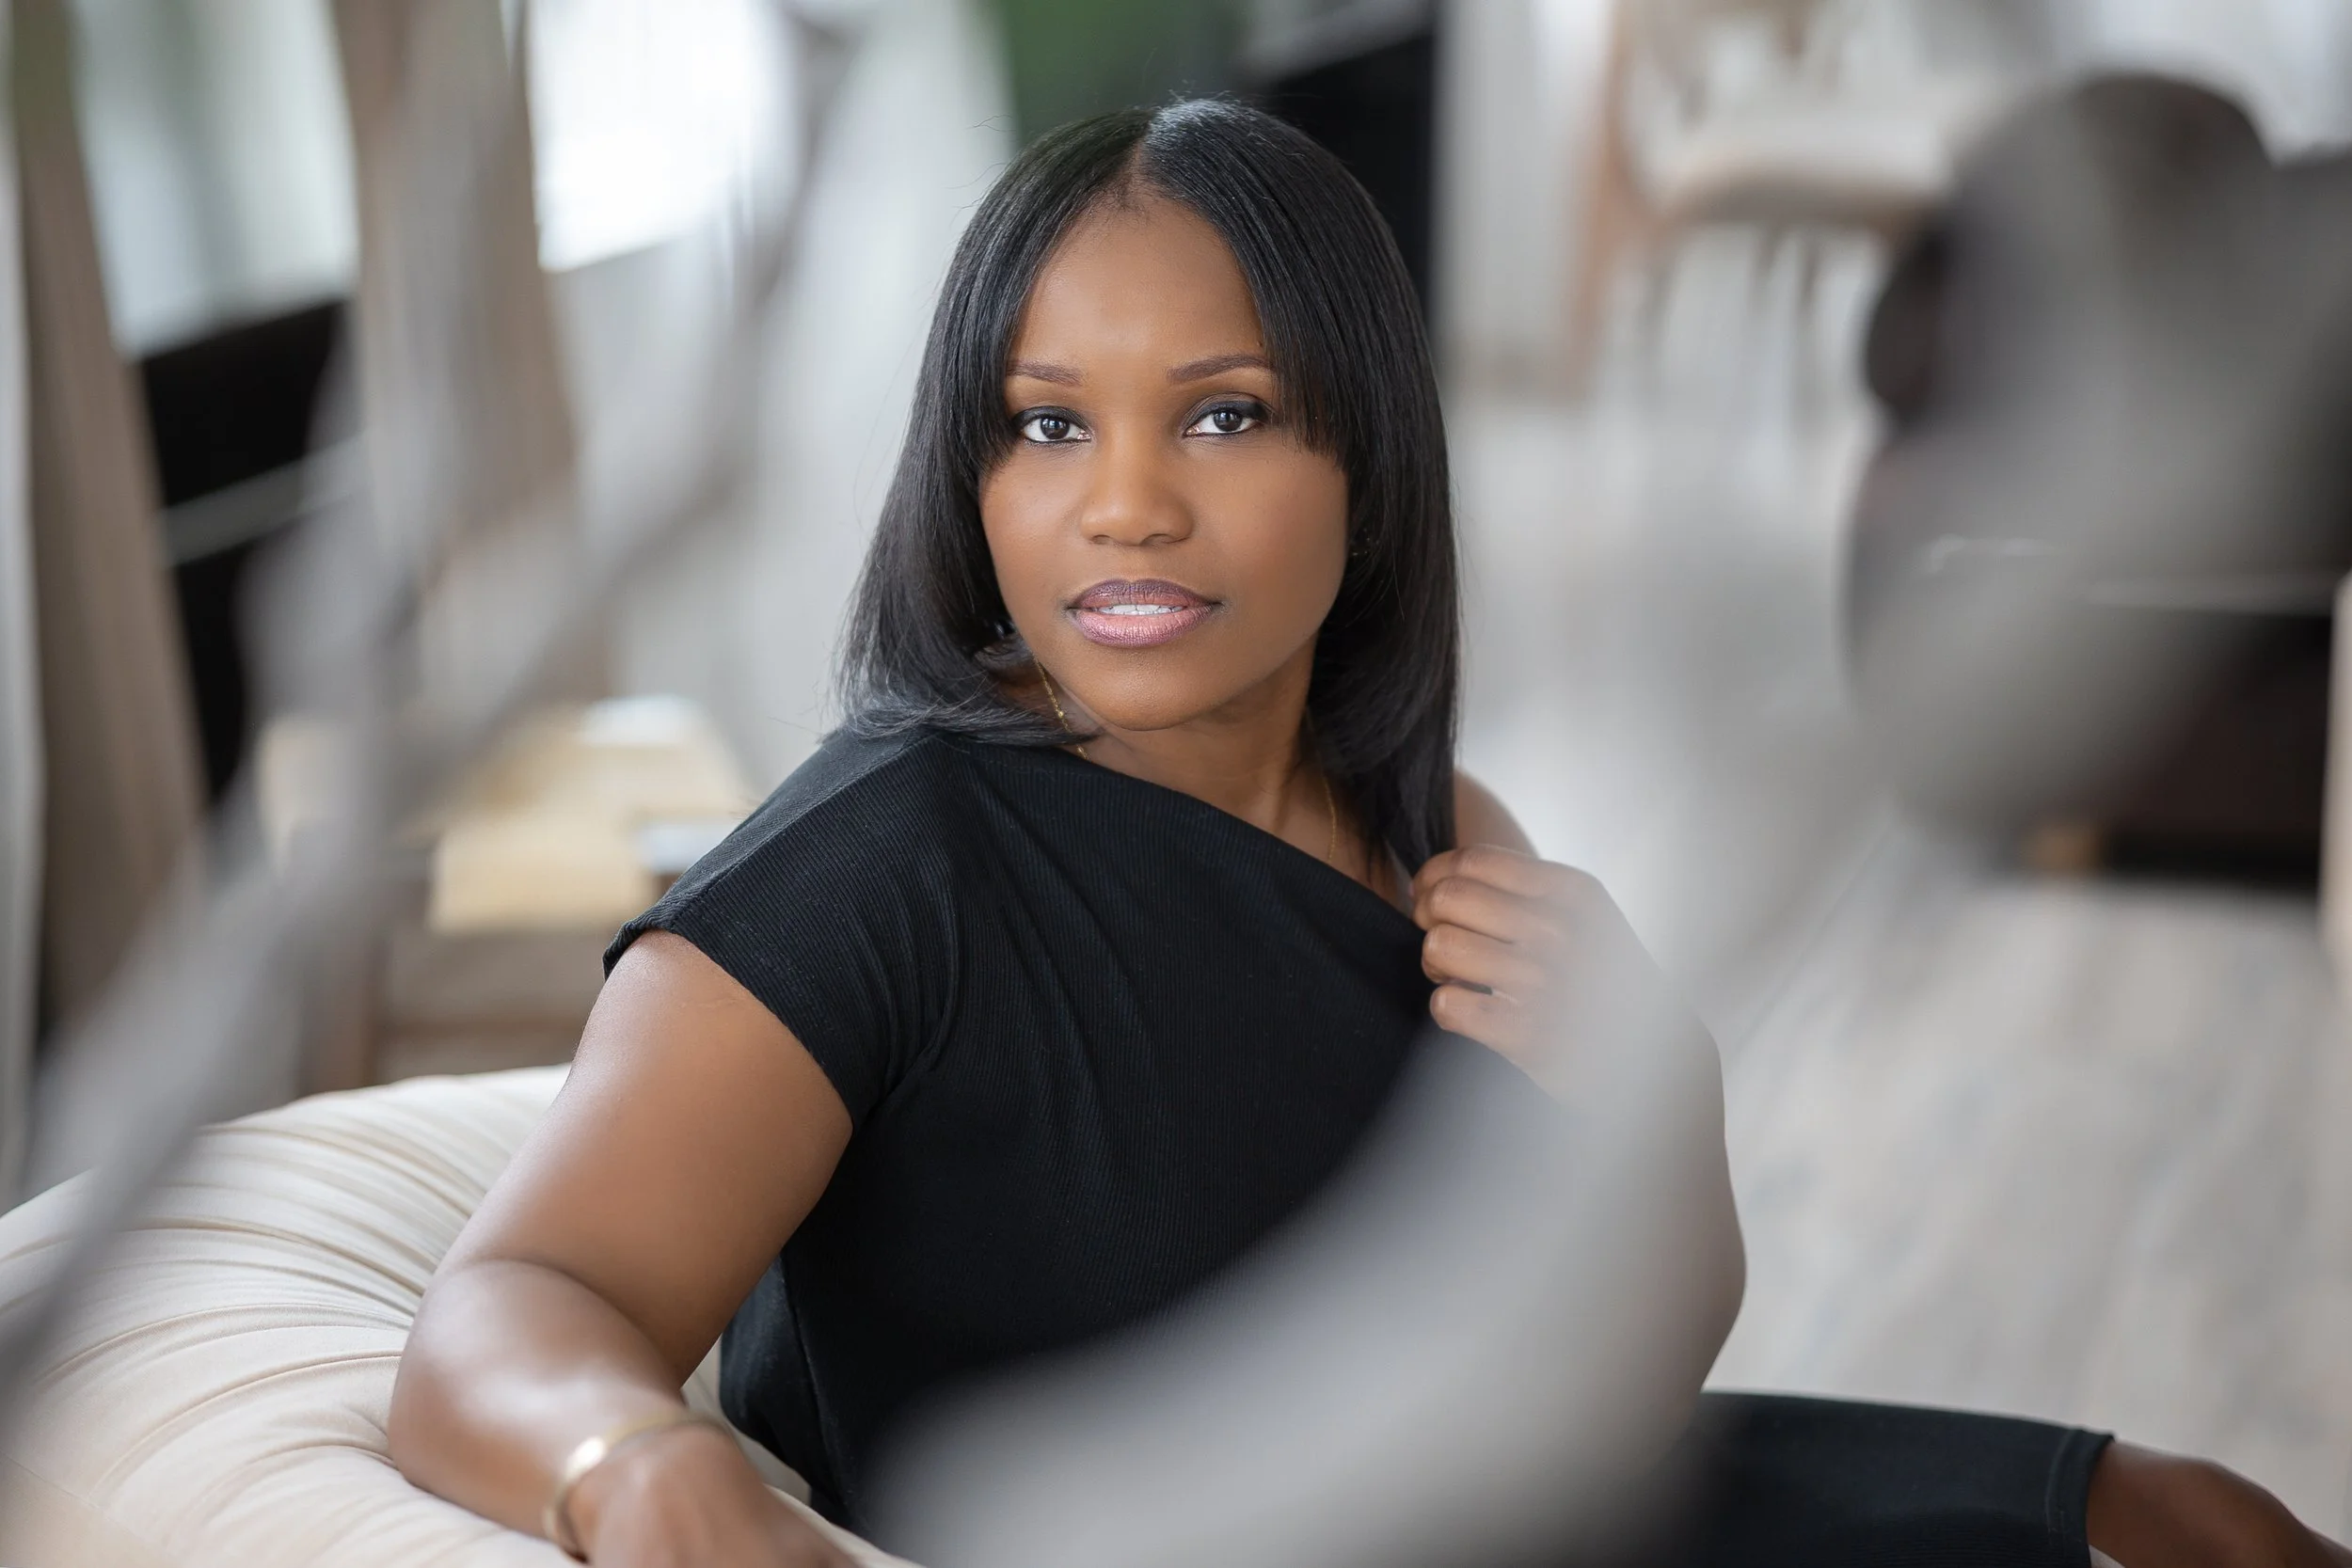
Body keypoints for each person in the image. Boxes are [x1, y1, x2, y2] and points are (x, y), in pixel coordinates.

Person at [389, 101, 2350, 1568]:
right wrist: (627, 1462)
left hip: (1517, 1503)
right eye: (1045, 423)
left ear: (1366, 453)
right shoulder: (878, 865)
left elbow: (1618, 1354)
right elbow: (508, 1302)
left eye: (1224, 416)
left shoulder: (1424, 822)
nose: (1124, 506)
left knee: (2205, 1517)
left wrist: (1649, 1097)